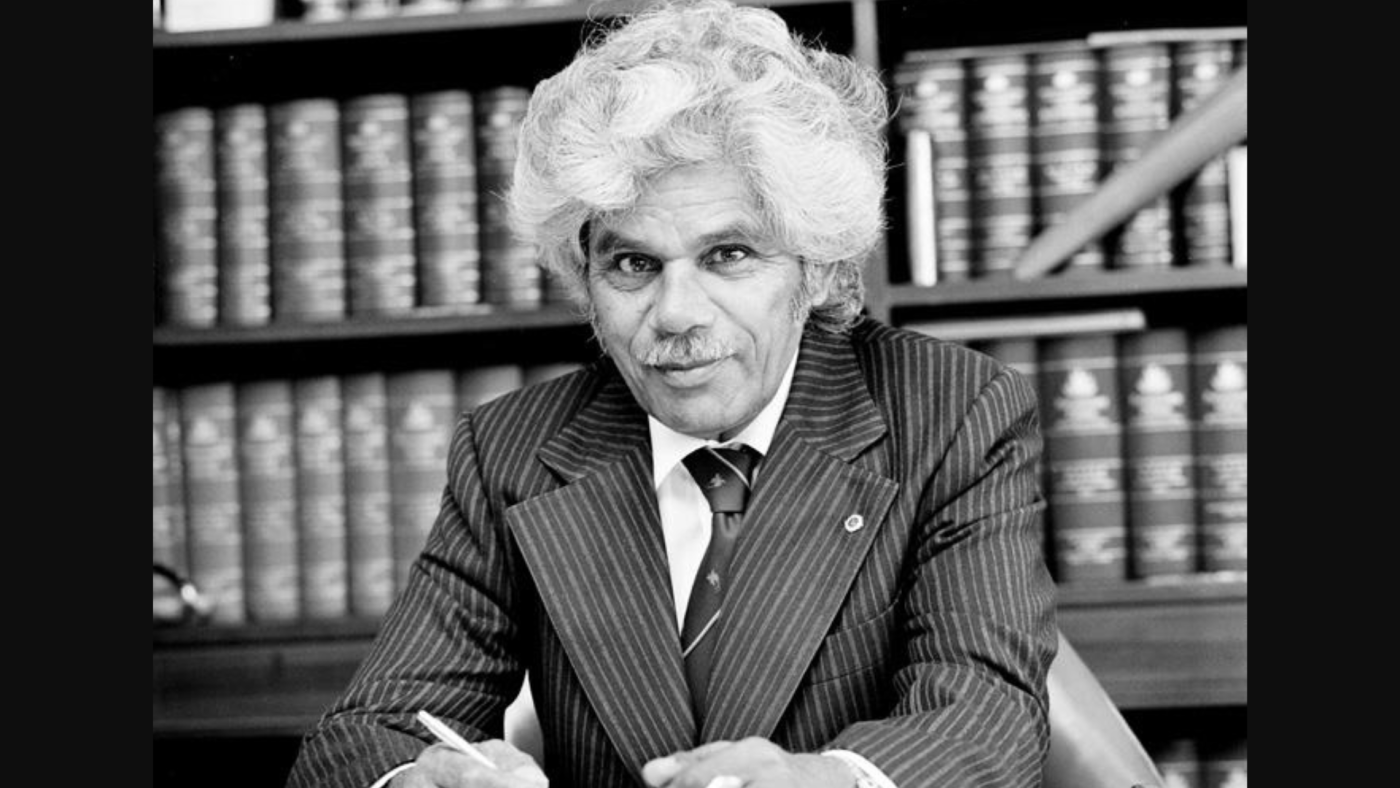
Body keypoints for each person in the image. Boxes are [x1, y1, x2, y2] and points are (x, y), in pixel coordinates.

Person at [286, 2, 1057, 786]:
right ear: (584, 281)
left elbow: (987, 712)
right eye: (634, 266)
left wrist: (825, 780)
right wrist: (418, 778)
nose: (677, 314)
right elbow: (363, 735)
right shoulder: (510, 451)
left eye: (727, 254)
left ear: (817, 267)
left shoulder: (951, 412)